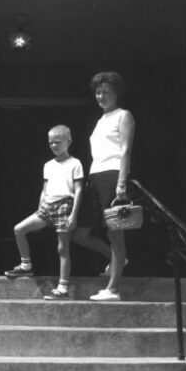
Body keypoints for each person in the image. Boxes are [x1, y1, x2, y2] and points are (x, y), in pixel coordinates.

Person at [73, 71, 135, 301]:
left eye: (106, 92)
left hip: (113, 176)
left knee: (115, 233)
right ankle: (117, 260)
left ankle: (113, 288)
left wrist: (121, 183)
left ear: (116, 93)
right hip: (95, 177)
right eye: (98, 92)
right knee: (79, 233)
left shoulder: (124, 116)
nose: (101, 96)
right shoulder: (100, 120)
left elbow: (125, 150)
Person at [4, 125, 84, 300]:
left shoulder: (75, 163)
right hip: (47, 206)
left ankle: (63, 288)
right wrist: (40, 207)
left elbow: (78, 190)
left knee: (62, 248)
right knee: (19, 229)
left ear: (68, 141)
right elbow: (44, 189)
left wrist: (74, 215)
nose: (54, 146)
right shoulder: (48, 165)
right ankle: (26, 265)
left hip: (65, 205)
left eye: (58, 142)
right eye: (51, 143)